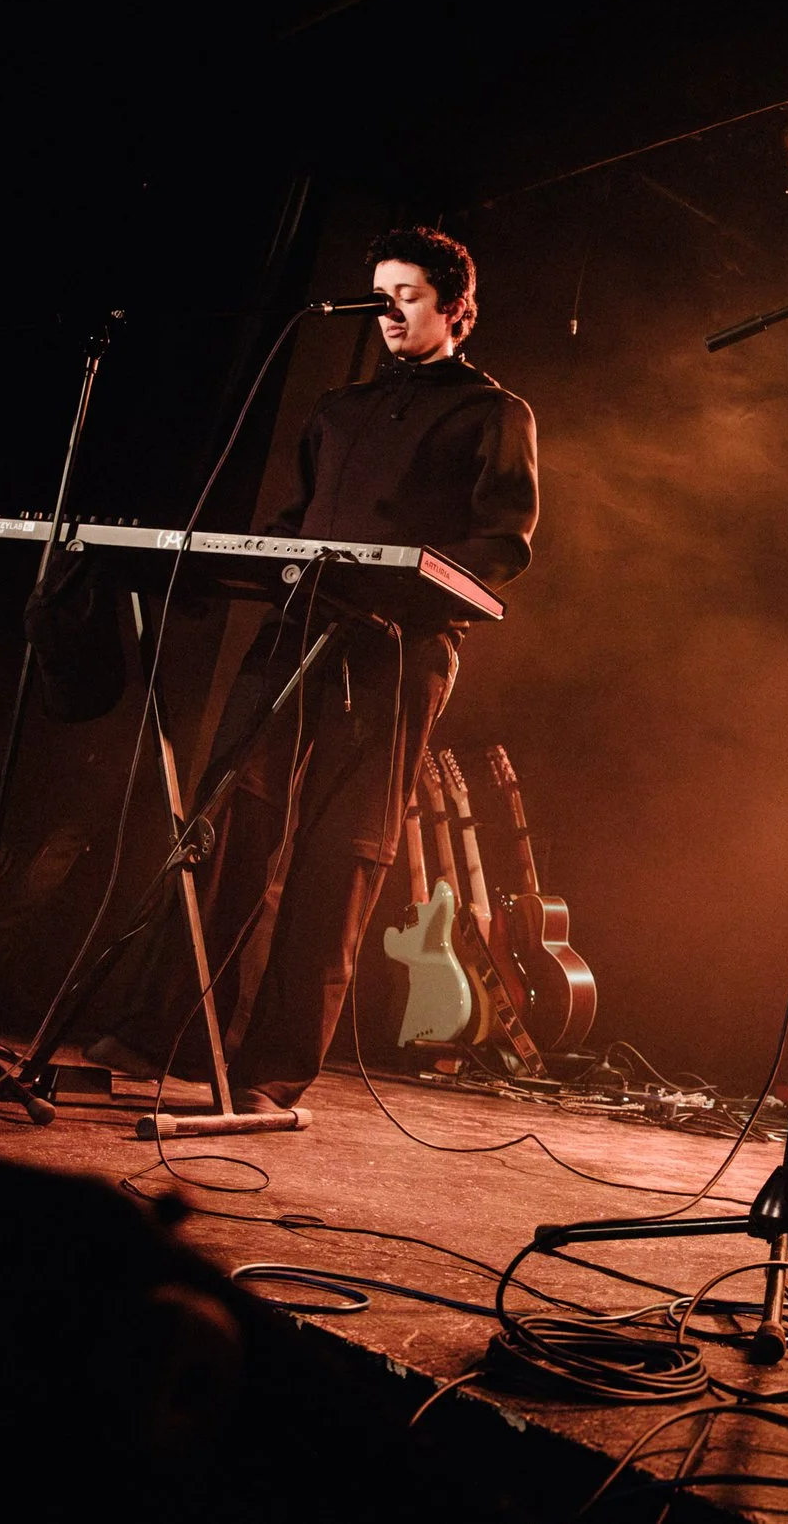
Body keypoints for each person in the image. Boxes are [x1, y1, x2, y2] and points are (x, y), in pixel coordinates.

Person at [96, 225, 539, 1112]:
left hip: (397, 653)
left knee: (344, 857)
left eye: (407, 295)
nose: (388, 313)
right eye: (379, 295)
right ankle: (170, 1039)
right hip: (298, 634)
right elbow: (300, 521)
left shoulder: (495, 412)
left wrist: (407, 581)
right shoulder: (338, 408)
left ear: (457, 307)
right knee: (229, 826)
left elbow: (502, 544)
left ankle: (272, 1070)